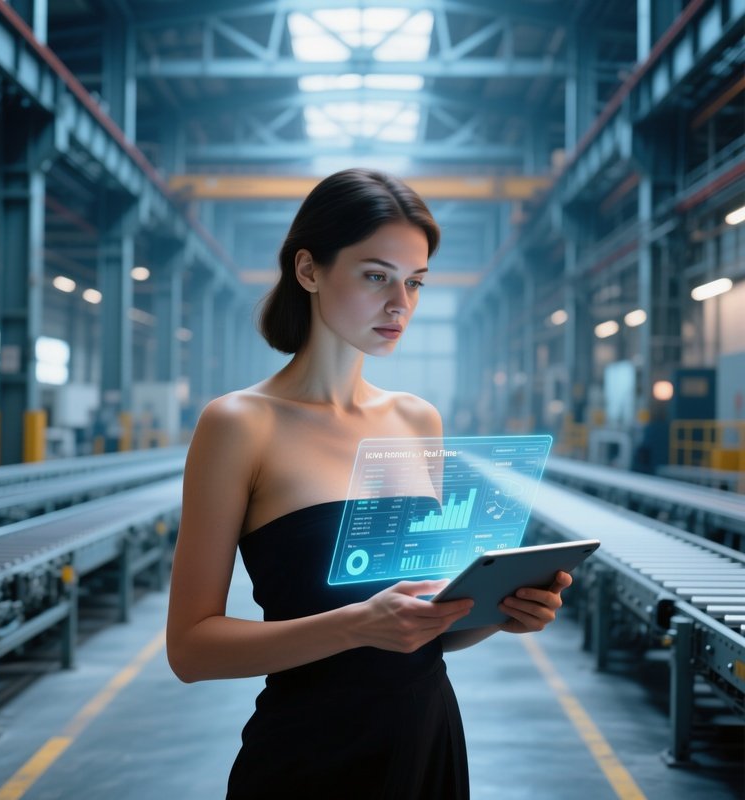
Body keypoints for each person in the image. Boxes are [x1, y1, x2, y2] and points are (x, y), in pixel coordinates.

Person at [166, 169, 572, 799]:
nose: (400, 304)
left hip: (426, 743)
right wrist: (354, 625)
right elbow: (191, 650)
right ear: (308, 271)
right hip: (309, 755)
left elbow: (421, 627)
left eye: (414, 283)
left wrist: (499, 612)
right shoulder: (239, 425)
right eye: (376, 275)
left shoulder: (416, 419)